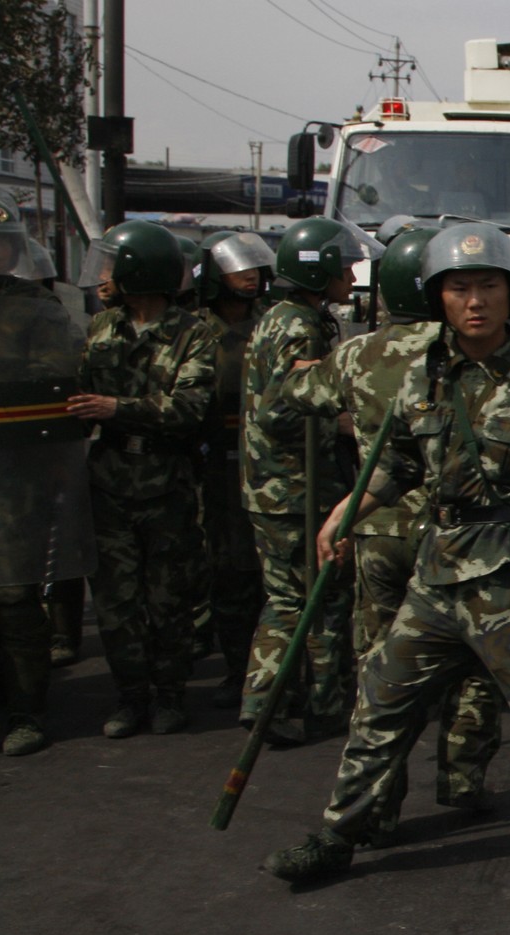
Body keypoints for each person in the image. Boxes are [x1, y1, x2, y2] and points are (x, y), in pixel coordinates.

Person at [261, 223, 510, 893]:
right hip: (438, 568)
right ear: (437, 296)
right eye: (459, 287)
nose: (475, 301)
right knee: (380, 701)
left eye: (489, 287)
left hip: (505, 574)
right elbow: (401, 460)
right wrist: (350, 507)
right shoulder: (423, 372)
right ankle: (342, 831)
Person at [270, 223, 504, 843]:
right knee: (474, 660)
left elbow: (296, 393)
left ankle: (379, 803)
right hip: (456, 535)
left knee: (382, 674)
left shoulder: (356, 353)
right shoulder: (459, 352)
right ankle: (462, 776)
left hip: (375, 530)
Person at [68, 220, 216, 736]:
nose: (104, 275)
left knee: (168, 597)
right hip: (109, 481)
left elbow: (188, 408)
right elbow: (83, 396)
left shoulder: (193, 333)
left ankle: (171, 696)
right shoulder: (100, 328)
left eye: (113, 265)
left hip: (165, 483)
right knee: (114, 601)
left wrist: (117, 407)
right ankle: (130, 697)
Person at [240, 217, 370, 745]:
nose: (351, 272)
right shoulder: (298, 326)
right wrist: (341, 418)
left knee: (293, 595)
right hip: (294, 488)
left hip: (276, 486)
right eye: (342, 265)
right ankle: (281, 701)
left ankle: (288, 700)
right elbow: (281, 410)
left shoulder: (285, 317)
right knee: (310, 598)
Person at [0, 191, 90, 755]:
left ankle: (27, 710)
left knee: (13, 595)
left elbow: (54, 386)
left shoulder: (35, 311)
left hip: (14, 476)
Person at [196, 230, 275, 710]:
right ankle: (232, 663)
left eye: (254, 269)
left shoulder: (271, 326)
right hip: (211, 459)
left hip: (263, 459)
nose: (248, 279)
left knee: (262, 568)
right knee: (223, 566)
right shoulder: (195, 330)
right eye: (236, 270)